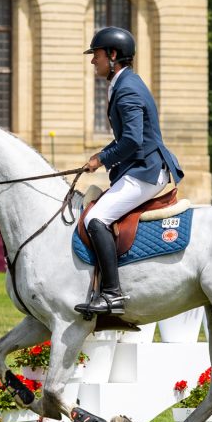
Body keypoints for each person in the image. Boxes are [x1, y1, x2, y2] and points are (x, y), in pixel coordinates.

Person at [76, 26, 184, 316]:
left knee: (96, 218)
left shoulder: (127, 90)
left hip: (146, 171)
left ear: (112, 55)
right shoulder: (124, 84)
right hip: (140, 167)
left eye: (95, 55)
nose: (92, 61)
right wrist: (101, 155)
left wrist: (102, 158)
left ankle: (112, 294)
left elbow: (133, 140)